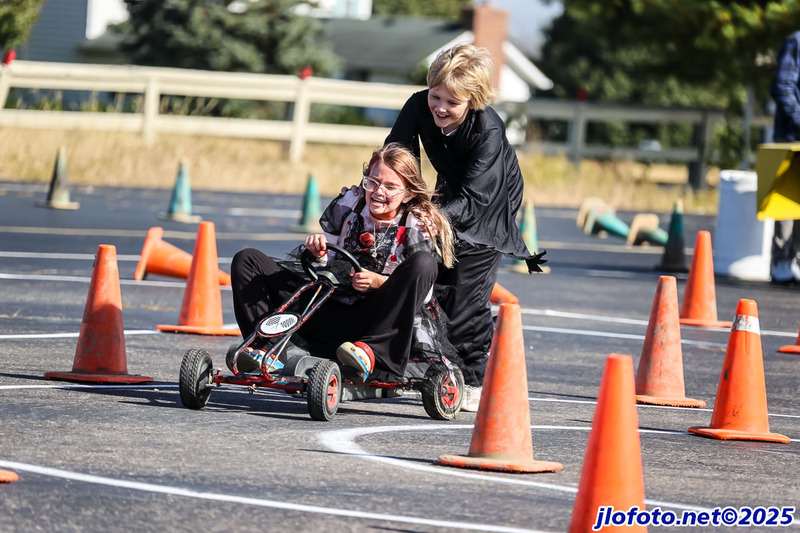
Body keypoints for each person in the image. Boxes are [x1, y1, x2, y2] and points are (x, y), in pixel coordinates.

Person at [385, 44, 546, 411]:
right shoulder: (418, 104)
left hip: (491, 202)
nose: (440, 107)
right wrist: (401, 199)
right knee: (425, 281)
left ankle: (474, 378)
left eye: (452, 102)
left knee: (465, 295)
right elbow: (398, 155)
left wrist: (432, 217)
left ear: (472, 102)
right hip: (450, 191)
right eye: (436, 96)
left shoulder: (488, 129)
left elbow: (475, 199)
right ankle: (413, 365)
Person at [230, 143, 456, 382]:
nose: (379, 192)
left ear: (408, 194)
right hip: (329, 307)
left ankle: (371, 353)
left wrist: (379, 282)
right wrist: (318, 252)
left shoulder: (416, 224)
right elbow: (327, 261)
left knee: (424, 262)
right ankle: (264, 348)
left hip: (374, 321)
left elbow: (424, 288)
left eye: (390, 187)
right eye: (373, 182)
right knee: (248, 259)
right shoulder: (350, 203)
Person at [769, 31, 800, 283]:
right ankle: (782, 261)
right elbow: (781, 87)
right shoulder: (796, 42)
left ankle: (796, 259)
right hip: (792, 135)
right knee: (787, 204)